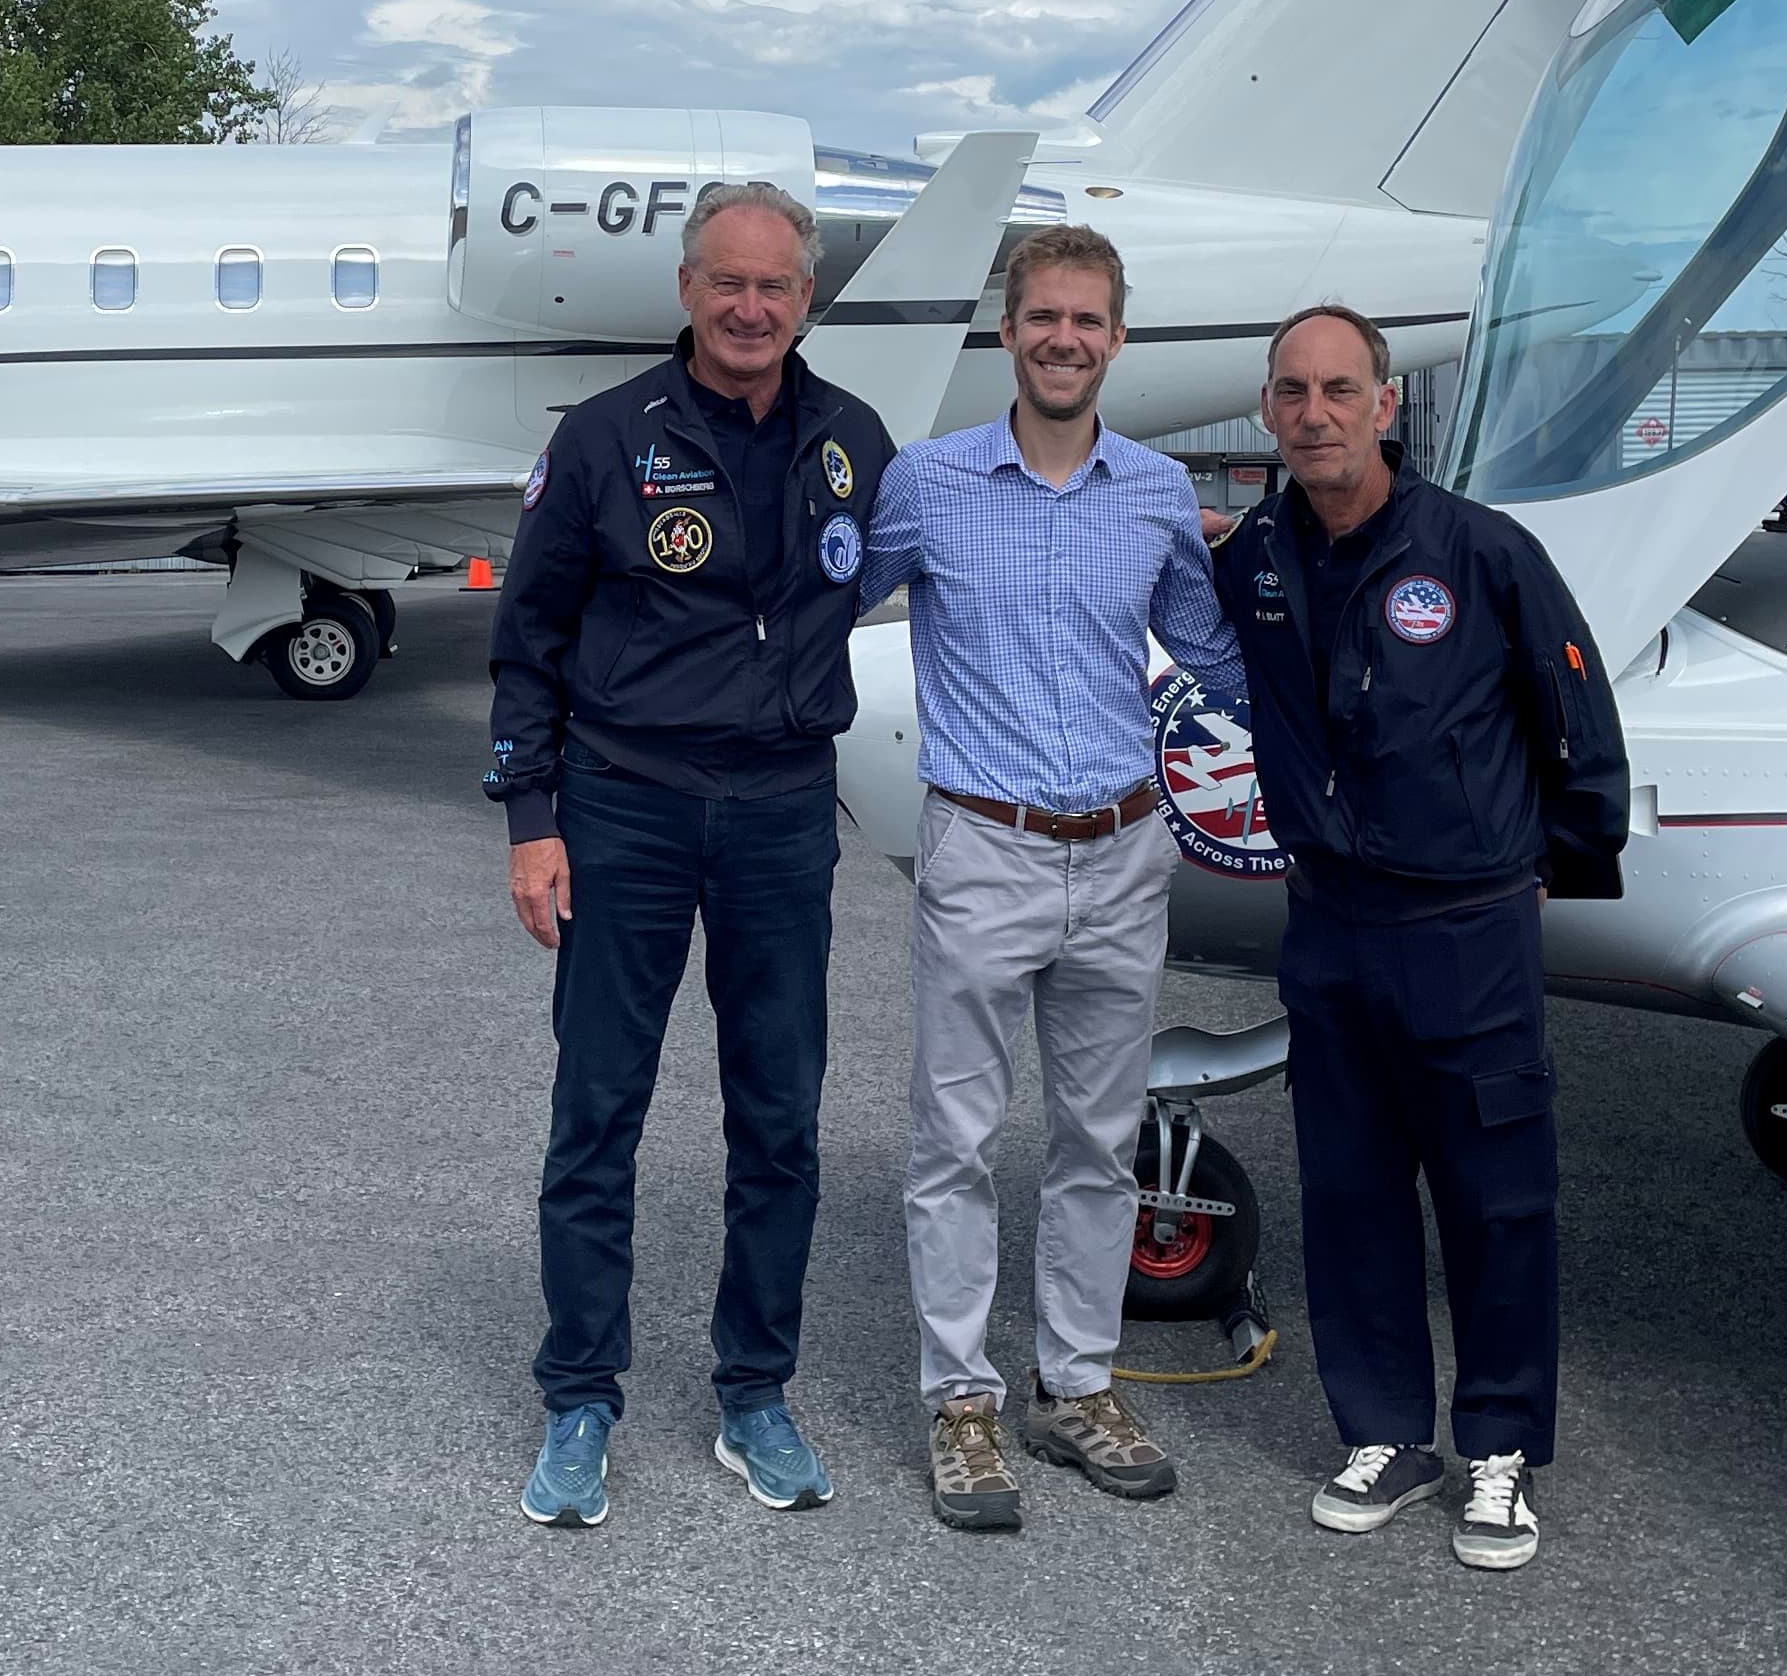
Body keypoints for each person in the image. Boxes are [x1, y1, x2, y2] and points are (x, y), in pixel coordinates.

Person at [487, 180, 897, 1530]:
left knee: (779, 1116)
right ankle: (581, 1397)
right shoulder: (604, 442)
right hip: (629, 807)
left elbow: (947, 558)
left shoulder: (854, 440)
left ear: (807, 297)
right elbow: (527, 640)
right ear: (685, 290)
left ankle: (755, 1391)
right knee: (598, 1111)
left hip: (782, 815)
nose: (751, 306)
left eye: (776, 286)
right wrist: (532, 822)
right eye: (727, 282)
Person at [1215, 304, 1628, 1574]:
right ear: (1270, 411)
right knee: (1347, 1192)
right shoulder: (1255, 566)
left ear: (1386, 406)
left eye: (1342, 389)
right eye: (1293, 392)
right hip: (1330, 924)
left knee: (1497, 1194)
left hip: (1467, 929)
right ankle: (1386, 1432)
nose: (1317, 414)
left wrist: (1552, 861)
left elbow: (1575, 715)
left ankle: (1499, 1445)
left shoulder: (1482, 550)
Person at [861, 227, 1248, 1533]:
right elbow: (816, 614)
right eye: (1043, 318)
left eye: (1088, 319)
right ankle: (961, 1405)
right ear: (1009, 332)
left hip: (1125, 850)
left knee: (1096, 1143)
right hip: (983, 848)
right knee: (955, 1143)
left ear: (1115, 338)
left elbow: (1215, 652)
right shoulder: (925, 485)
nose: (1065, 338)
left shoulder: (1154, 491)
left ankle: (1073, 1386)